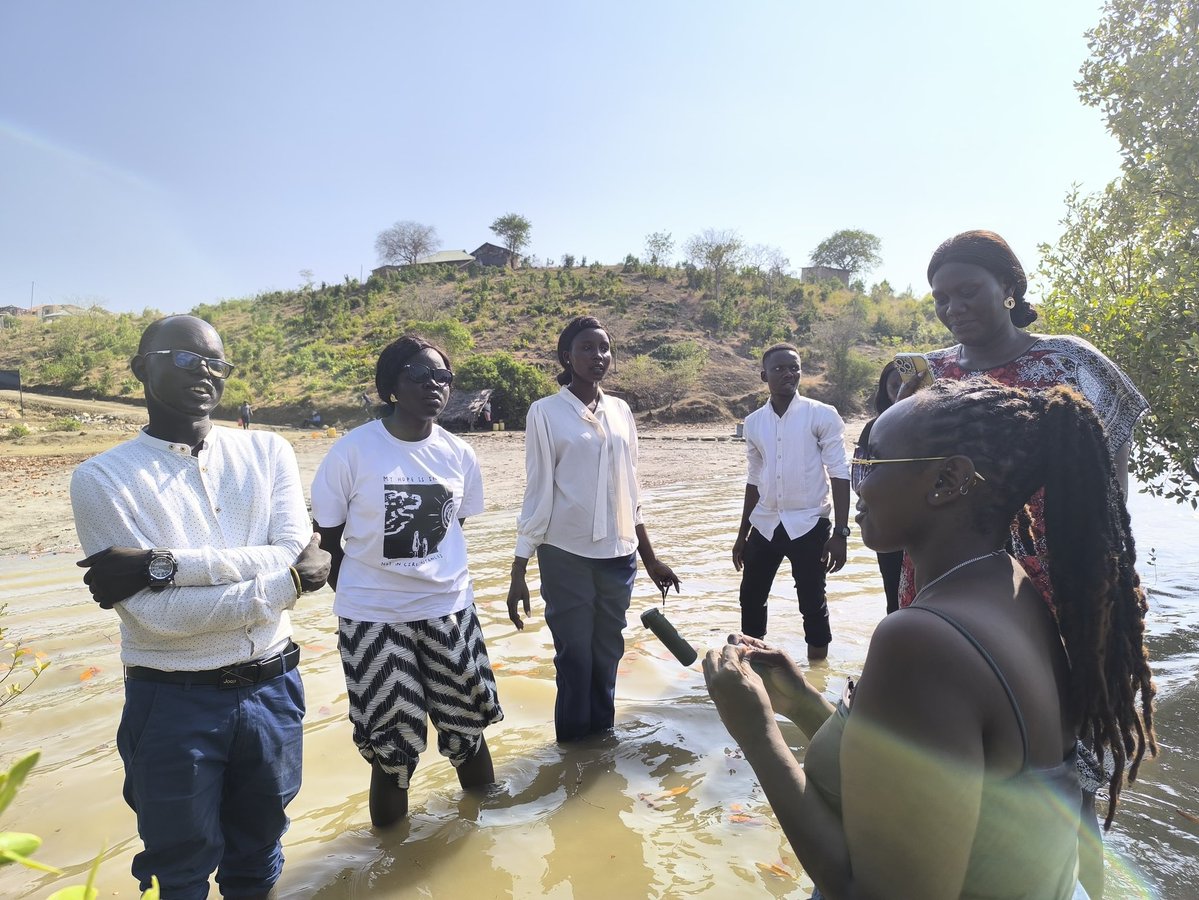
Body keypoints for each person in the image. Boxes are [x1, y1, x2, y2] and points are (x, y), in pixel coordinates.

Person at [705, 377, 1156, 900]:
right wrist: (802, 702)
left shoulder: (922, 639)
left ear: (948, 480)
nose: (857, 482)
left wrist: (756, 731)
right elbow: (926, 774)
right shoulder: (1011, 587)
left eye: (873, 461)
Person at [899, 229, 1150, 895]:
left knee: (1069, 759)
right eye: (940, 297)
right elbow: (903, 484)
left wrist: (1103, 573)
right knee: (954, 748)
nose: (953, 308)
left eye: (968, 291)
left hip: (1057, 588)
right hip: (946, 579)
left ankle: (1084, 884)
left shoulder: (1072, 363)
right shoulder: (926, 375)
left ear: (1010, 288)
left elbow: (1109, 485)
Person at [70, 315, 331, 900]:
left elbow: (292, 549)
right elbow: (160, 619)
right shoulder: (102, 478)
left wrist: (162, 565)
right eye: (187, 359)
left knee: (260, 854)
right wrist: (288, 584)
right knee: (177, 870)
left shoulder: (269, 451)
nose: (206, 373)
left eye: (217, 363)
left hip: (273, 689)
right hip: (172, 700)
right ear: (142, 369)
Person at [311, 336, 502, 829]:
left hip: (450, 611)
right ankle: (391, 854)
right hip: (373, 620)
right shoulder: (353, 452)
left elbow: (453, 527)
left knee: (468, 732)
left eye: (443, 377)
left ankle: (485, 837)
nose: (434, 385)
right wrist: (369, 597)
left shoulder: (459, 454)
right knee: (391, 751)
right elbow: (327, 541)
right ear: (391, 386)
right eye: (420, 374)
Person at [507, 315, 680, 743]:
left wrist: (650, 558)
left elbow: (630, 490)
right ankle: (571, 748)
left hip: (619, 556)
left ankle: (601, 746)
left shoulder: (620, 411)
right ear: (567, 356)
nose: (598, 356)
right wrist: (519, 568)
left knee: (607, 655)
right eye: (586, 348)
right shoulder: (545, 412)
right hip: (565, 554)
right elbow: (538, 489)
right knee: (575, 658)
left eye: (604, 348)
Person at [732, 344, 850, 658]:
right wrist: (742, 535)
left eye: (794, 367)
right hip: (766, 523)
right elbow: (754, 479)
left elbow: (839, 473)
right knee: (750, 599)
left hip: (809, 523)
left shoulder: (821, 414)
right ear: (764, 376)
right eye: (779, 368)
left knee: (812, 603)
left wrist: (841, 533)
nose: (789, 374)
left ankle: (816, 675)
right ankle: (754, 664)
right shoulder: (754, 423)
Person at [856, 362, 903, 613]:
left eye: (910, 385)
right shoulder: (873, 428)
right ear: (884, 390)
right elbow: (859, 477)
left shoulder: (937, 426)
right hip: (889, 523)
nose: (903, 391)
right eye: (895, 386)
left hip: (934, 526)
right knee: (894, 592)